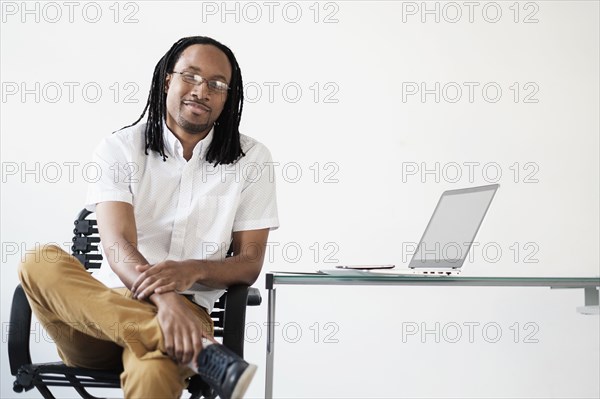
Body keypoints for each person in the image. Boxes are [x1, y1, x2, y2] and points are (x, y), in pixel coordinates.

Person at [18, 36, 279, 399]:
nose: (202, 90)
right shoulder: (119, 148)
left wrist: (194, 269)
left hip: (190, 314)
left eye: (217, 84)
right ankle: (196, 350)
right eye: (191, 76)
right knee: (38, 261)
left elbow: (249, 261)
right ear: (168, 80)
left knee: (154, 369)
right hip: (101, 316)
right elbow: (117, 244)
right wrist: (167, 303)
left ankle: (173, 340)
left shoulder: (252, 159)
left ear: (228, 96)